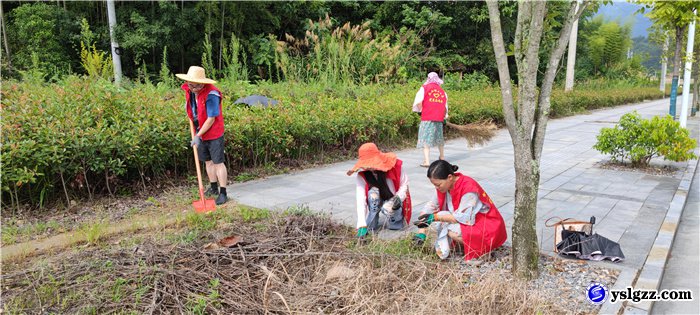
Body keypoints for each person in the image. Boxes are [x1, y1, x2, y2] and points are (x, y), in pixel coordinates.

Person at [413, 160, 506, 262]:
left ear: (450, 177)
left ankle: (482, 252)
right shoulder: (444, 186)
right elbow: (431, 206)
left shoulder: (468, 187)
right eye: (434, 185)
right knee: (441, 219)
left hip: (488, 225)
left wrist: (434, 217)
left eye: (438, 185)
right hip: (472, 221)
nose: (436, 188)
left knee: (449, 228)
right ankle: (465, 247)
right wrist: (421, 232)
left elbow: (463, 217)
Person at [176, 66, 228, 205]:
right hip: (199, 131)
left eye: (197, 86)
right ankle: (213, 188)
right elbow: (192, 108)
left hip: (213, 132)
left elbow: (211, 118)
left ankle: (223, 192)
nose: (193, 89)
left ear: (203, 83)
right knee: (208, 161)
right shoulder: (190, 90)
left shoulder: (212, 94)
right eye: (190, 85)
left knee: (218, 163)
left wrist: (198, 135)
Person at [346, 143, 412, 241]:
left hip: (392, 199)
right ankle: (373, 220)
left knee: (393, 221)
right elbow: (360, 200)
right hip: (375, 201)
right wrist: (361, 224)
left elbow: (404, 185)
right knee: (373, 194)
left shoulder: (394, 167)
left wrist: (398, 198)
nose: (368, 166)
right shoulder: (362, 175)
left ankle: (395, 221)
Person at [412, 72, 448, 167]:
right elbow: (445, 106)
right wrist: (444, 116)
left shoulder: (424, 88)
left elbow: (419, 101)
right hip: (439, 118)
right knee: (439, 137)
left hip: (427, 117)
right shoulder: (442, 91)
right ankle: (442, 157)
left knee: (426, 138)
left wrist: (421, 110)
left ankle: (427, 161)